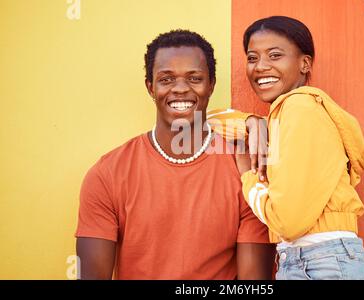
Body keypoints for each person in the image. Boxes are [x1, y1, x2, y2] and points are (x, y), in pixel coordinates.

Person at [75, 29, 274, 280]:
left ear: (211, 85)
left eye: (194, 78)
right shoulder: (108, 174)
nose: (180, 89)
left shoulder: (244, 171)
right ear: (150, 87)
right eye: (167, 79)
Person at [232, 16, 364, 280]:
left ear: (304, 63)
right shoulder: (287, 116)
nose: (260, 67)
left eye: (275, 55)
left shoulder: (300, 109)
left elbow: (289, 223)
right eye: (252, 58)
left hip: (321, 263)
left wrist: (248, 177)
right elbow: (208, 121)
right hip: (317, 259)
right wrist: (250, 121)